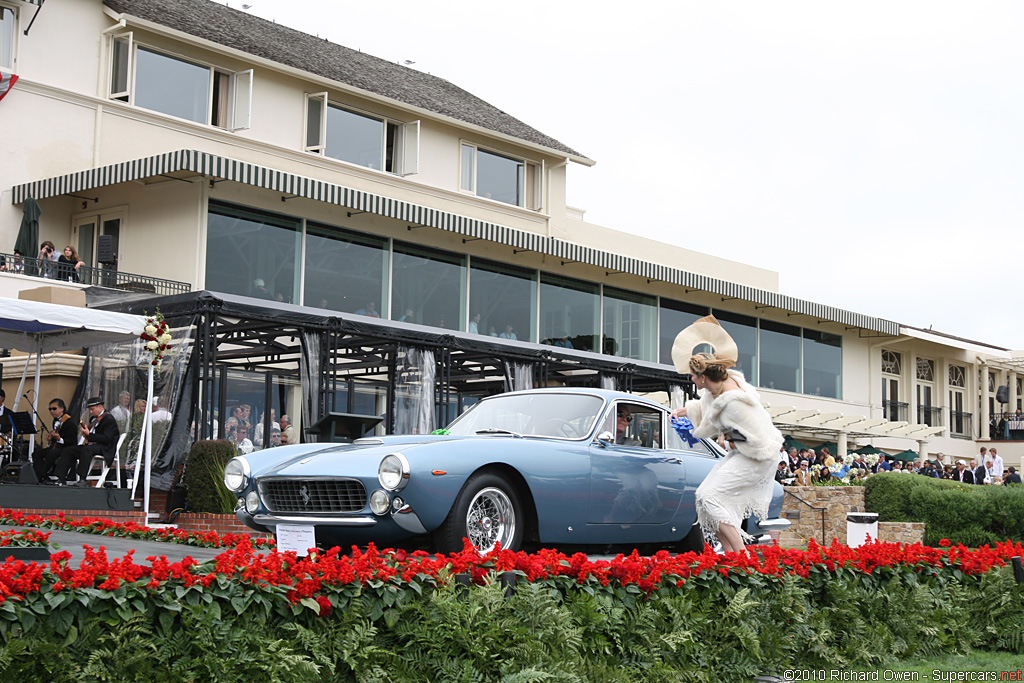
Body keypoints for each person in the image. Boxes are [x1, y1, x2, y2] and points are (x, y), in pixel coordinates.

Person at [670, 315, 783, 553]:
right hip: (746, 453)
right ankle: (730, 552)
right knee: (703, 496)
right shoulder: (720, 385)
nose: (690, 378)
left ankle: (741, 555)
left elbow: (755, 436)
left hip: (758, 456)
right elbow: (707, 405)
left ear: (702, 377)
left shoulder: (733, 402)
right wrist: (685, 410)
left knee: (712, 497)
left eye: (692, 375)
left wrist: (729, 438)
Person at [55, 396, 120, 486]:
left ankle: (82, 479)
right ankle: (61, 478)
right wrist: (87, 435)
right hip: (94, 446)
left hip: (105, 448)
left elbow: (107, 439)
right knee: (69, 450)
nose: (91, 412)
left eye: (92, 409)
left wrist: (90, 435)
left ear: (100, 407)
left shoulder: (109, 419)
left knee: (87, 450)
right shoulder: (93, 419)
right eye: (90, 409)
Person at [32, 398, 79, 483]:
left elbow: (72, 441)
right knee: (37, 453)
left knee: (51, 453)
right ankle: (39, 475)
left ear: (62, 409)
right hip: (56, 447)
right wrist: (51, 435)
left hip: (67, 448)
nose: (51, 411)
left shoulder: (70, 422)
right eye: (50, 409)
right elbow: (57, 431)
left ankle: (43, 474)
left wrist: (59, 439)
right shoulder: (56, 420)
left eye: (54, 409)